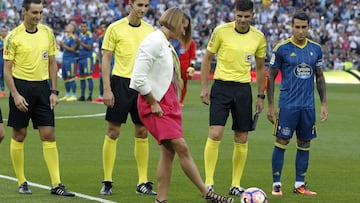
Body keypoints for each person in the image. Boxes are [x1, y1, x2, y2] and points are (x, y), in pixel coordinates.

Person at [130, 7, 234, 203]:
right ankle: (207, 194)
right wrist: (153, 103)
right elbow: (137, 79)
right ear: (174, 22)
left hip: (168, 103)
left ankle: (161, 200)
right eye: (183, 27)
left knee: (168, 151)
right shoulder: (153, 42)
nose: (184, 32)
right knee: (181, 147)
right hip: (155, 104)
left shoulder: (165, 43)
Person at [3, 0, 75, 196]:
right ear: (24, 11)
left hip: (43, 89)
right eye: (34, 12)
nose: (38, 16)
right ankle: (21, 181)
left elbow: (52, 63)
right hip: (21, 87)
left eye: (40, 12)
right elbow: (7, 71)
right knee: (19, 135)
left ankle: (57, 184)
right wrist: (16, 95)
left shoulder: (47, 33)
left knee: (49, 135)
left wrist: (53, 91)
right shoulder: (13, 36)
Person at [200, 0, 266, 197]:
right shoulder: (221, 31)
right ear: (234, 13)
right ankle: (209, 182)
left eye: (246, 17)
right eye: (239, 16)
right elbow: (207, 59)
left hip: (243, 90)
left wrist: (260, 95)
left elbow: (261, 68)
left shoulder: (259, 37)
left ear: (252, 15)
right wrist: (204, 87)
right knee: (216, 133)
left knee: (242, 137)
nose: (242, 20)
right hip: (221, 86)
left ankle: (235, 184)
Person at [267, 11, 328, 196]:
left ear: (309, 27)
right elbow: (270, 76)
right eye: (297, 27)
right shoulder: (282, 48)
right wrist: (270, 105)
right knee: (282, 141)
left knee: (304, 142)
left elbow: (319, 77)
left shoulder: (316, 49)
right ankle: (277, 183)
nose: (300, 31)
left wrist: (324, 103)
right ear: (291, 27)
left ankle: (299, 184)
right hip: (287, 105)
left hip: (308, 106)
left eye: (304, 27)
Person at [99, 0, 156, 196]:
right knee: (113, 131)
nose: (143, 9)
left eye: (146, 6)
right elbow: (106, 58)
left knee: (142, 132)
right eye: (139, 4)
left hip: (143, 85)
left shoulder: (151, 31)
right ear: (130, 3)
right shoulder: (115, 28)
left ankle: (143, 181)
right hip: (121, 84)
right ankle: (107, 180)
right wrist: (107, 89)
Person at [94, 21, 113, 103]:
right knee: (102, 77)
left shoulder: (112, 38)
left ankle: (113, 94)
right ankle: (101, 95)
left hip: (113, 60)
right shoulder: (100, 39)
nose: (102, 30)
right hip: (104, 60)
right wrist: (100, 62)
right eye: (101, 28)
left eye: (104, 28)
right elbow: (99, 51)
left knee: (112, 77)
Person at [58, 23, 77, 102]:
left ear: (73, 29)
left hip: (70, 60)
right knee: (65, 77)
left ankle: (74, 95)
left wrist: (63, 45)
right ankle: (67, 94)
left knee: (71, 77)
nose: (67, 27)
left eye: (69, 26)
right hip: (65, 59)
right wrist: (60, 45)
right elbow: (64, 49)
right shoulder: (66, 37)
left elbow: (73, 49)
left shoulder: (73, 38)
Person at [76, 21, 94, 102]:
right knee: (82, 78)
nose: (83, 28)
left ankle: (90, 96)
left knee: (89, 77)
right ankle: (82, 95)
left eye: (84, 26)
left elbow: (89, 47)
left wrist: (79, 42)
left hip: (87, 59)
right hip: (81, 59)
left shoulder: (89, 35)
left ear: (87, 27)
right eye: (82, 26)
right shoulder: (80, 35)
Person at [179, 38, 196, 107]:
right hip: (175, 65)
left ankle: (181, 101)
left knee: (184, 83)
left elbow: (193, 55)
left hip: (185, 66)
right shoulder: (175, 40)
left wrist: (192, 67)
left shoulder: (191, 42)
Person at [0, 26, 7, 97]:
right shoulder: (0, 40)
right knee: (1, 76)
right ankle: (2, 91)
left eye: (5, 31)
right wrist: (2, 48)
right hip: (1, 60)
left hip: (9, 61)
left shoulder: (9, 39)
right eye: (2, 31)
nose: (4, 32)